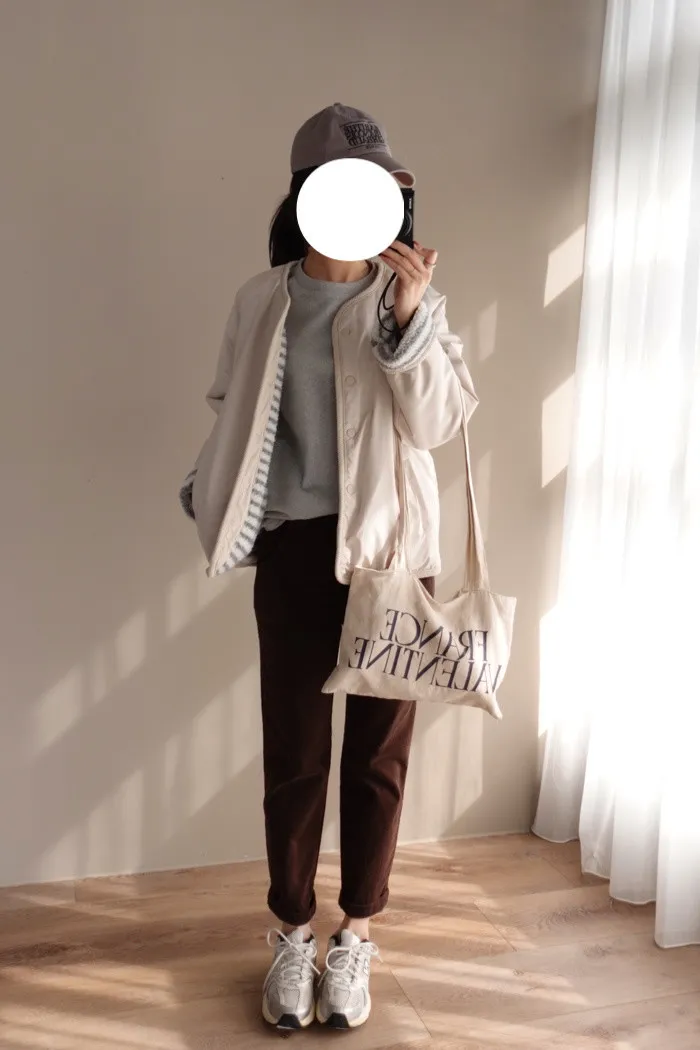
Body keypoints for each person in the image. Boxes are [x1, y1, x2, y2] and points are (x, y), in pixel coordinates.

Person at [179, 103, 478, 1031]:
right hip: (297, 551)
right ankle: (291, 931)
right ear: (309, 195)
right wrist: (214, 490)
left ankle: (356, 935)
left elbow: (440, 423)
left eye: (385, 188)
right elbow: (233, 407)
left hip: (395, 555)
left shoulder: (411, 304)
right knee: (297, 753)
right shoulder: (260, 299)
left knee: (378, 759)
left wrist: (408, 318)